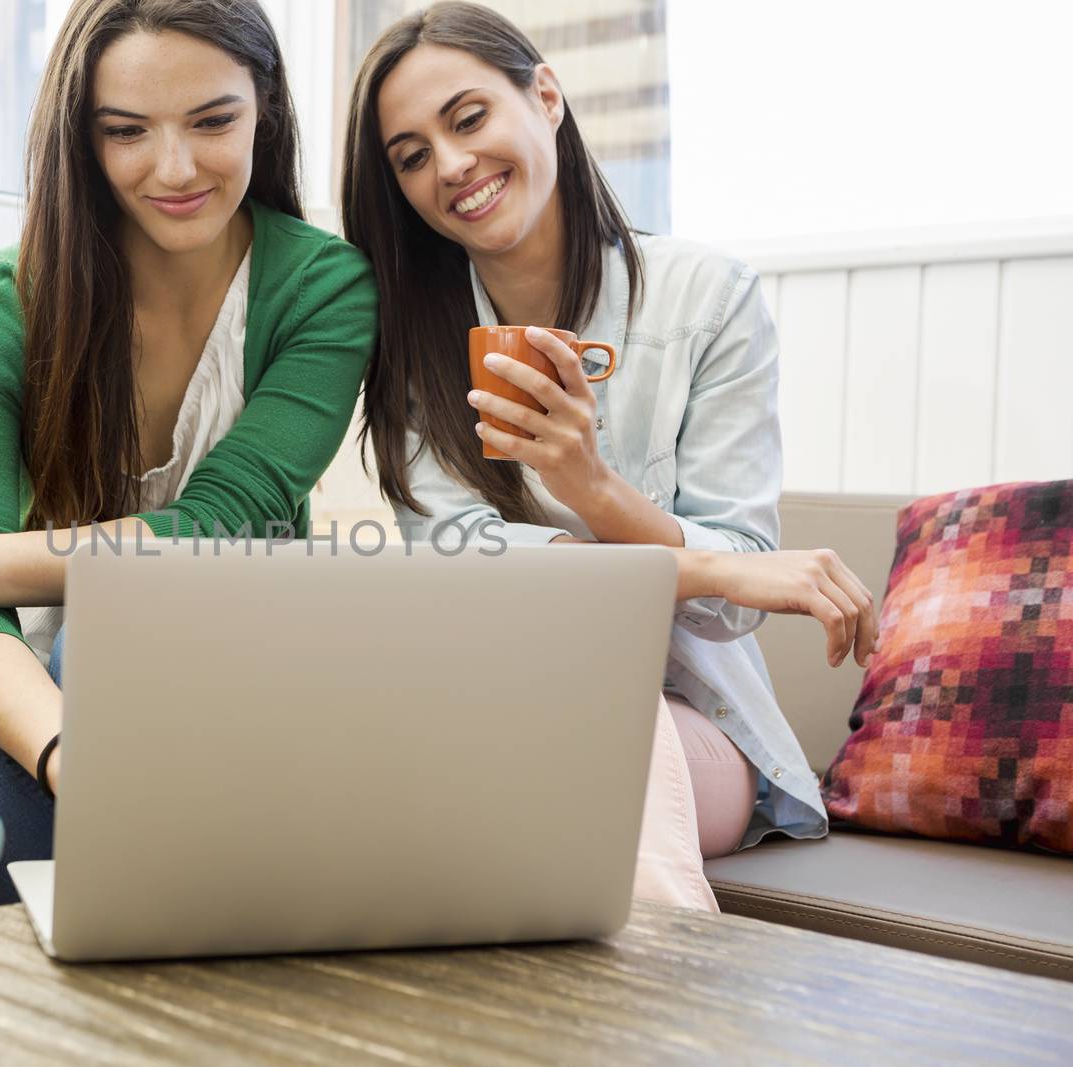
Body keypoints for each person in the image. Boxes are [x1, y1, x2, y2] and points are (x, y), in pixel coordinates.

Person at [0, 0, 377, 912]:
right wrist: (70, 755)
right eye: (126, 132)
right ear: (82, 139)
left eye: (214, 122)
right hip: (43, 695)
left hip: (242, 676)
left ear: (264, 104)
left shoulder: (323, 288)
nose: (173, 169)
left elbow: (212, 531)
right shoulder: (1, 305)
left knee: (123, 622)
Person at [343, 2, 876, 910]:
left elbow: (733, 601)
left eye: (468, 118)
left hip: (685, 721)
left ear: (545, 96)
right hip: (484, 703)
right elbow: (458, 557)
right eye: (413, 156)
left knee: (581, 741)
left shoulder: (707, 299)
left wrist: (592, 490)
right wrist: (695, 558)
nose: (452, 165)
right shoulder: (412, 345)